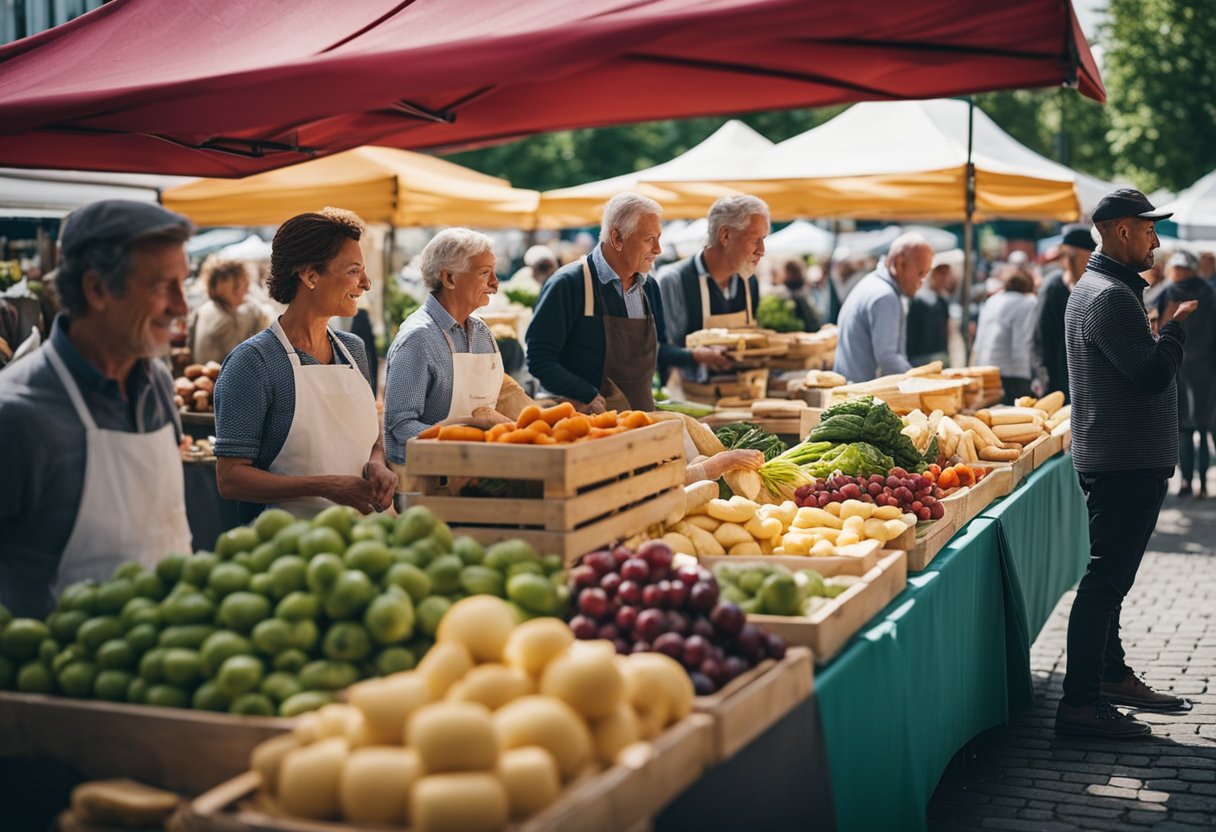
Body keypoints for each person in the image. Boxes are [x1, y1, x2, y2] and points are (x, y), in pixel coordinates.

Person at [0, 200, 193, 617]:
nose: (182, 307)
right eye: (162, 287)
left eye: (185, 283)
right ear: (97, 289)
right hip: (49, 673)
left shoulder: (156, 384)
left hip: (168, 658)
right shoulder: (15, 415)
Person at [1056, 188, 1196, 738]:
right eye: (1148, 229)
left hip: (1120, 455)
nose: (1156, 240)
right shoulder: (1108, 296)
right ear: (1120, 231)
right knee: (1105, 582)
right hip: (1123, 459)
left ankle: (1109, 677)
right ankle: (1080, 704)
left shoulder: (1102, 289)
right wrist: (1177, 328)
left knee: (1109, 578)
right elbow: (1150, 374)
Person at [213, 208, 396, 521]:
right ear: (310, 275)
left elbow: (371, 442)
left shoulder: (354, 350)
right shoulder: (253, 363)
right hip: (288, 543)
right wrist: (327, 486)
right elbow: (230, 478)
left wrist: (376, 463)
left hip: (366, 537)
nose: (366, 283)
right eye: (354, 271)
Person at [525, 193, 714, 412]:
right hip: (588, 424)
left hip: (641, 418)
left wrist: (691, 360)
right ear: (617, 239)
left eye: (659, 238)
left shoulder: (648, 287)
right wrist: (585, 393)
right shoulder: (569, 283)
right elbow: (539, 359)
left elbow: (659, 348)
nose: (658, 249)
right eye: (649, 239)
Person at [382, 228, 533, 468]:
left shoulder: (483, 333)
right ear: (449, 278)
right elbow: (400, 426)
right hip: (432, 480)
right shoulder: (418, 339)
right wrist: (466, 446)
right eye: (485, 273)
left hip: (485, 468)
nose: (495, 283)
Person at [656, 195, 768, 380]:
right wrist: (696, 355)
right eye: (754, 239)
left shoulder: (750, 282)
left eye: (763, 238)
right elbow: (655, 350)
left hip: (742, 394)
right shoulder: (673, 280)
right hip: (687, 400)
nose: (762, 249)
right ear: (725, 235)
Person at [832, 233, 934, 382]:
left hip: (849, 390)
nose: (922, 281)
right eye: (920, 274)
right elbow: (888, 358)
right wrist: (919, 382)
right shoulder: (886, 297)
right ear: (899, 264)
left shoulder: (872, 283)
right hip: (860, 396)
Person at [1155, 250, 1216, 496]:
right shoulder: (1209, 293)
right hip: (1206, 369)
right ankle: (1201, 483)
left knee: (1184, 428)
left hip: (1178, 366)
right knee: (1201, 427)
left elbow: (1159, 329)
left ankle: (1185, 482)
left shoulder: (1169, 293)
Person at [1035, 225, 1095, 401]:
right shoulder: (1053, 287)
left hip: (1083, 379)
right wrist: (1043, 379)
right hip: (1057, 380)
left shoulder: (1090, 288)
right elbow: (1041, 338)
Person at [186, 256, 270, 365]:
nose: (246, 291)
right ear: (225, 289)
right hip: (216, 377)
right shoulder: (225, 320)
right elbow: (238, 362)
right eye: (242, 286)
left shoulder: (206, 308)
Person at [972, 266, 1038, 404]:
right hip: (1013, 374)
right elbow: (1021, 343)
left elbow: (979, 339)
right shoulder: (1026, 303)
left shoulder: (992, 301)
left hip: (986, 369)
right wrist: (1029, 377)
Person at [906, 261, 954, 367]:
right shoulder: (917, 299)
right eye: (940, 273)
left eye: (946, 274)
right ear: (932, 274)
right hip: (920, 359)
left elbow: (947, 329)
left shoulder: (943, 301)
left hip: (941, 357)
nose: (943, 278)